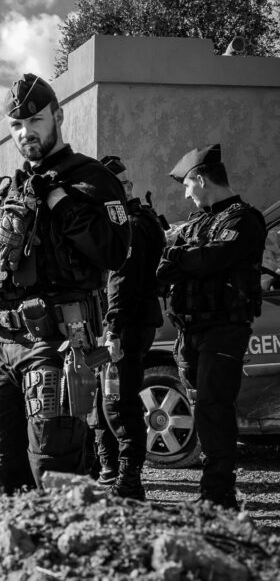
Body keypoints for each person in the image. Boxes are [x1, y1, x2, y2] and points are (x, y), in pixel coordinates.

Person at [0, 73, 130, 495]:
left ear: (58, 116)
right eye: (17, 125)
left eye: (35, 121)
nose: (25, 133)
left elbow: (114, 250)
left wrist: (59, 202)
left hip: (55, 341)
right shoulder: (16, 186)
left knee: (55, 472)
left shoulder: (89, 179)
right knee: (5, 469)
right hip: (1, 345)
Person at [157, 144, 265, 510]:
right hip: (190, 331)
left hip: (224, 329)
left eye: (187, 185)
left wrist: (176, 256)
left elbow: (213, 258)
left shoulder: (243, 219)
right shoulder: (199, 221)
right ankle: (212, 490)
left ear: (200, 179)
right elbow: (173, 255)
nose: (186, 194)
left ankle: (218, 495)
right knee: (201, 406)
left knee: (214, 408)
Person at [90, 155, 166, 500]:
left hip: (127, 326)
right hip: (121, 323)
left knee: (119, 402)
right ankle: (108, 471)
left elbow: (121, 280)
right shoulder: (126, 221)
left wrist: (114, 328)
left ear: (125, 188)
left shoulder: (132, 224)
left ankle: (129, 480)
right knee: (103, 398)